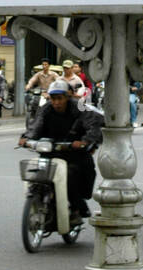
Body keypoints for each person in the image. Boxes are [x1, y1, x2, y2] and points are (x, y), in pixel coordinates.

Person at [18, 79, 103, 217]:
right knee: (37, 173)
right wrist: (26, 138)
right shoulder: (45, 109)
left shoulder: (80, 107)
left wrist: (85, 141)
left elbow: (94, 123)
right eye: (53, 98)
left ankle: (78, 207)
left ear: (67, 97)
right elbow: (36, 126)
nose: (56, 102)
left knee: (70, 175)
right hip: (51, 152)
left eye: (59, 98)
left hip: (74, 154)